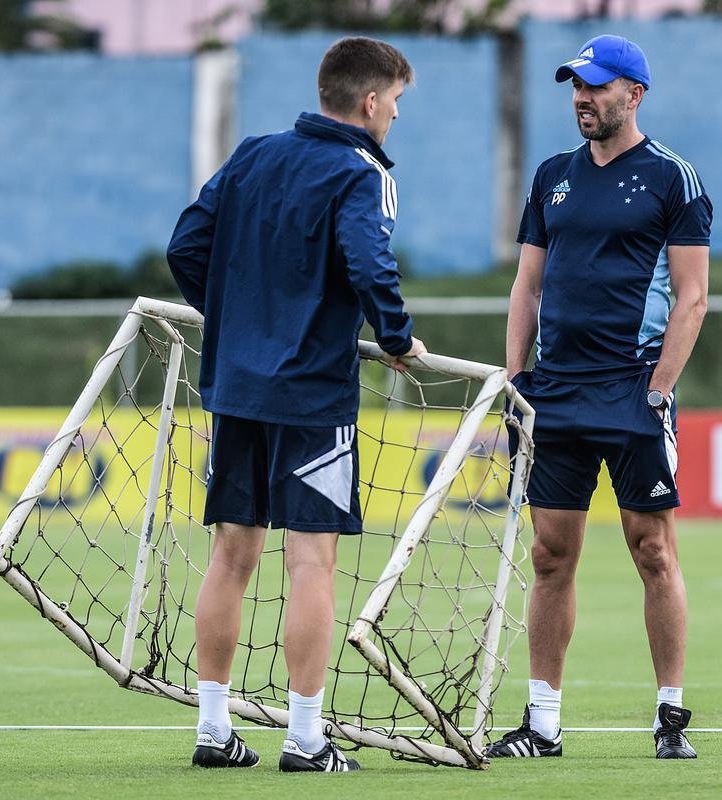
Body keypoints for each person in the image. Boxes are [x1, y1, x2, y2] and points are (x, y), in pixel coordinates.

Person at [166, 36, 426, 774]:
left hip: (235, 385)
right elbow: (370, 261)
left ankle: (214, 731)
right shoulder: (361, 170)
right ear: (370, 102)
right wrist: (398, 336)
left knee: (231, 551)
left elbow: (186, 246)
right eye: (397, 103)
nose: (396, 118)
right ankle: (306, 738)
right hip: (311, 391)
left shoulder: (252, 153)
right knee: (311, 559)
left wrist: (242, 321)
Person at [485, 34, 711, 761]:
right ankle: (542, 722)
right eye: (575, 86)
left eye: (597, 86)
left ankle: (670, 716)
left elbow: (693, 296)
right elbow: (528, 285)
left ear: (633, 94)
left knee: (652, 550)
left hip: (632, 390)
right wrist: (516, 378)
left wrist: (658, 391)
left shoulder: (674, 178)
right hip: (556, 393)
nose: (582, 97)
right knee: (551, 556)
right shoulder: (553, 175)